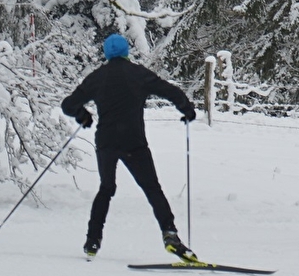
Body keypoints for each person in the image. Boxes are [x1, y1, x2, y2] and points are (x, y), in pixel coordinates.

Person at [61, 33, 198, 261]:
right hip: (134, 141)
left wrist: (82, 115)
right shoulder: (138, 74)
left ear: (106, 54)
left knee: (106, 188)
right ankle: (170, 235)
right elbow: (170, 91)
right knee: (152, 188)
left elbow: (68, 105)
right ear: (126, 52)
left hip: (106, 141)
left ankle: (92, 240)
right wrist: (186, 109)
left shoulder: (97, 77)